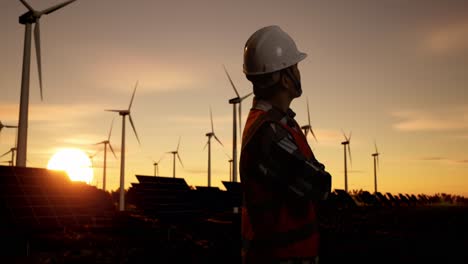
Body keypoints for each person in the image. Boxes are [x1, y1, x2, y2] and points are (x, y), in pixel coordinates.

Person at [240, 25, 332, 264]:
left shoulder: (275, 122)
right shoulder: (270, 133)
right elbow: (319, 186)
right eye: (295, 68)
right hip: (280, 257)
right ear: (284, 78)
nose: (299, 74)